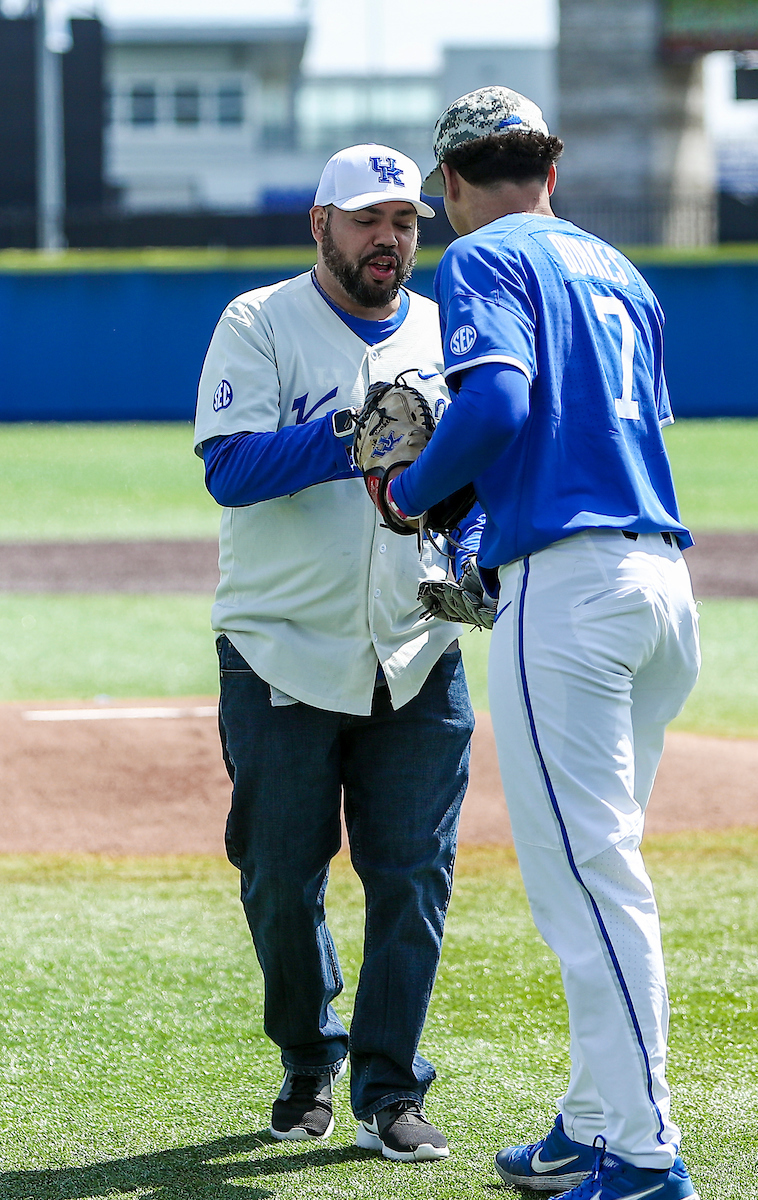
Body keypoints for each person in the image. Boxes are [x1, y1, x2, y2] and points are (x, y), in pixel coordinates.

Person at [371, 89, 702, 1199]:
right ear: (547, 170)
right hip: (659, 585)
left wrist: (414, 494)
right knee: (601, 865)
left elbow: (499, 406)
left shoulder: (481, 260)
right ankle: (591, 1119)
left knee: (587, 882)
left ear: (451, 184)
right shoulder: (622, 272)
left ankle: (644, 1154)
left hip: (568, 597)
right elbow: (624, 433)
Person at [192, 143, 477, 1162]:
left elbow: (480, 469)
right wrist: (350, 437)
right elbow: (227, 469)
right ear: (320, 226)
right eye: (365, 219)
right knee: (277, 875)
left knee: (412, 876)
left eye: (404, 220)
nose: (388, 239)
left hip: (417, 649)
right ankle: (307, 1053)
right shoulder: (259, 323)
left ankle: (389, 1086)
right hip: (278, 650)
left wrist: (473, 541)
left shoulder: (451, 331)